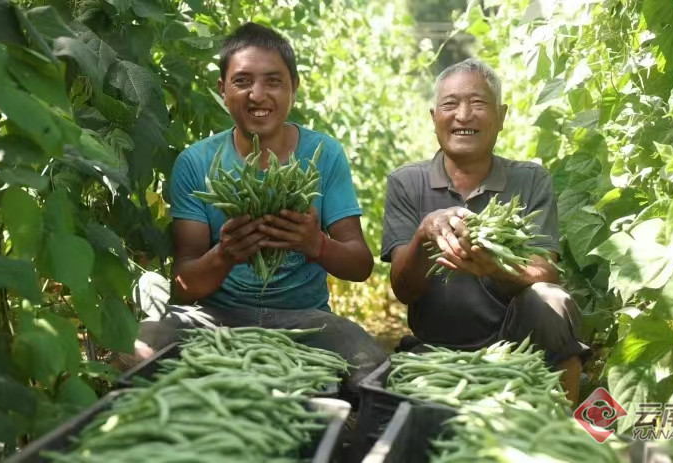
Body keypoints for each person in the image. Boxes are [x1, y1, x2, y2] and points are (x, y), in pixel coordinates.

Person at [133, 22, 386, 395]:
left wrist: (316, 244)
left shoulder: (324, 155)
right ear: (222, 89)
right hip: (215, 319)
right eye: (242, 81)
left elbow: (360, 265)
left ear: (293, 88)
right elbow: (184, 286)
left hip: (307, 323)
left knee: (375, 370)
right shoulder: (196, 163)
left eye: (273, 81)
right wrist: (226, 255)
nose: (257, 94)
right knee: (136, 350)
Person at [381, 58, 589, 404]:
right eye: (451, 104)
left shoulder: (530, 180)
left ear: (502, 116)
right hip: (437, 350)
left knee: (551, 298)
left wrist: (495, 265)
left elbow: (546, 269)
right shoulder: (407, 182)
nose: (463, 115)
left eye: (478, 103)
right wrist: (424, 233)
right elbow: (403, 289)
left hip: (517, 343)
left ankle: (563, 424)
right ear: (434, 118)